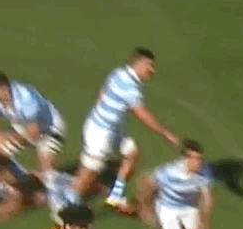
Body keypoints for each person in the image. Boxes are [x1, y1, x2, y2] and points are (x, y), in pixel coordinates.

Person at [76, 48, 180, 209]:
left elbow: (102, 93)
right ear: (140, 64)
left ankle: (114, 195)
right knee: (86, 175)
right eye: (150, 66)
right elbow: (142, 114)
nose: (152, 71)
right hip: (100, 134)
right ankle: (64, 207)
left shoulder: (118, 73)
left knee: (131, 154)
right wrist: (166, 133)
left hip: (110, 129)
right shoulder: (130, 88)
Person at [0, 72, 66, 175]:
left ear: (9, 88)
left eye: (5, 91)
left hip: (49, 127)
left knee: (47, 175)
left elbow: (34, 132)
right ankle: (10, 177)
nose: (2, 97)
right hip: (22, 125)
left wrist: (11, 140)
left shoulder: (26, 99)